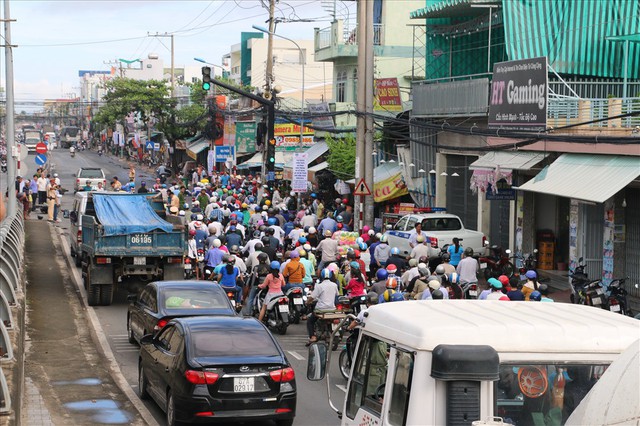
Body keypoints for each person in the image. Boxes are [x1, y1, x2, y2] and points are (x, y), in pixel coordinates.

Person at [306, 268, 340, 345]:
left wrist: (307, 302)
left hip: (320, 310)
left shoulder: (319, 286)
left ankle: (312, 337)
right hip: (332, 309)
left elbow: (312, 297)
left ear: (321, 275)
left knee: (310, 321)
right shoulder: (334, 285)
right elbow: (337, 295)